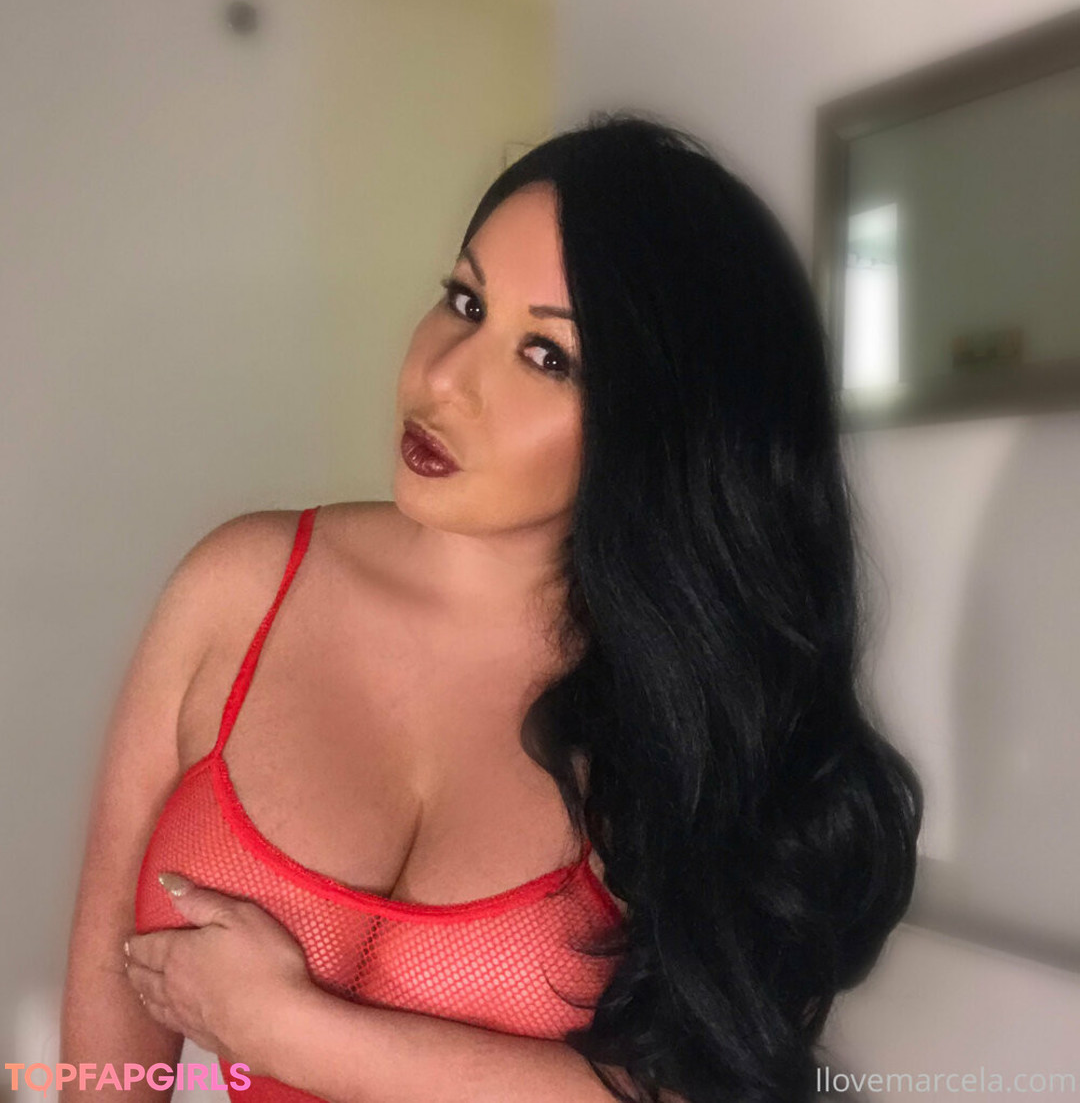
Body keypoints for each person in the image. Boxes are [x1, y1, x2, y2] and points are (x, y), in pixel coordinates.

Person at [61, 110, 922, 1103]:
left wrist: (287, 1030)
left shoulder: (701, 724)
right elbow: (102, 1032)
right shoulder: (238, 588)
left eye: (547, 356)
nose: (444, 380)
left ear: (662, 428)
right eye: (465, 302)